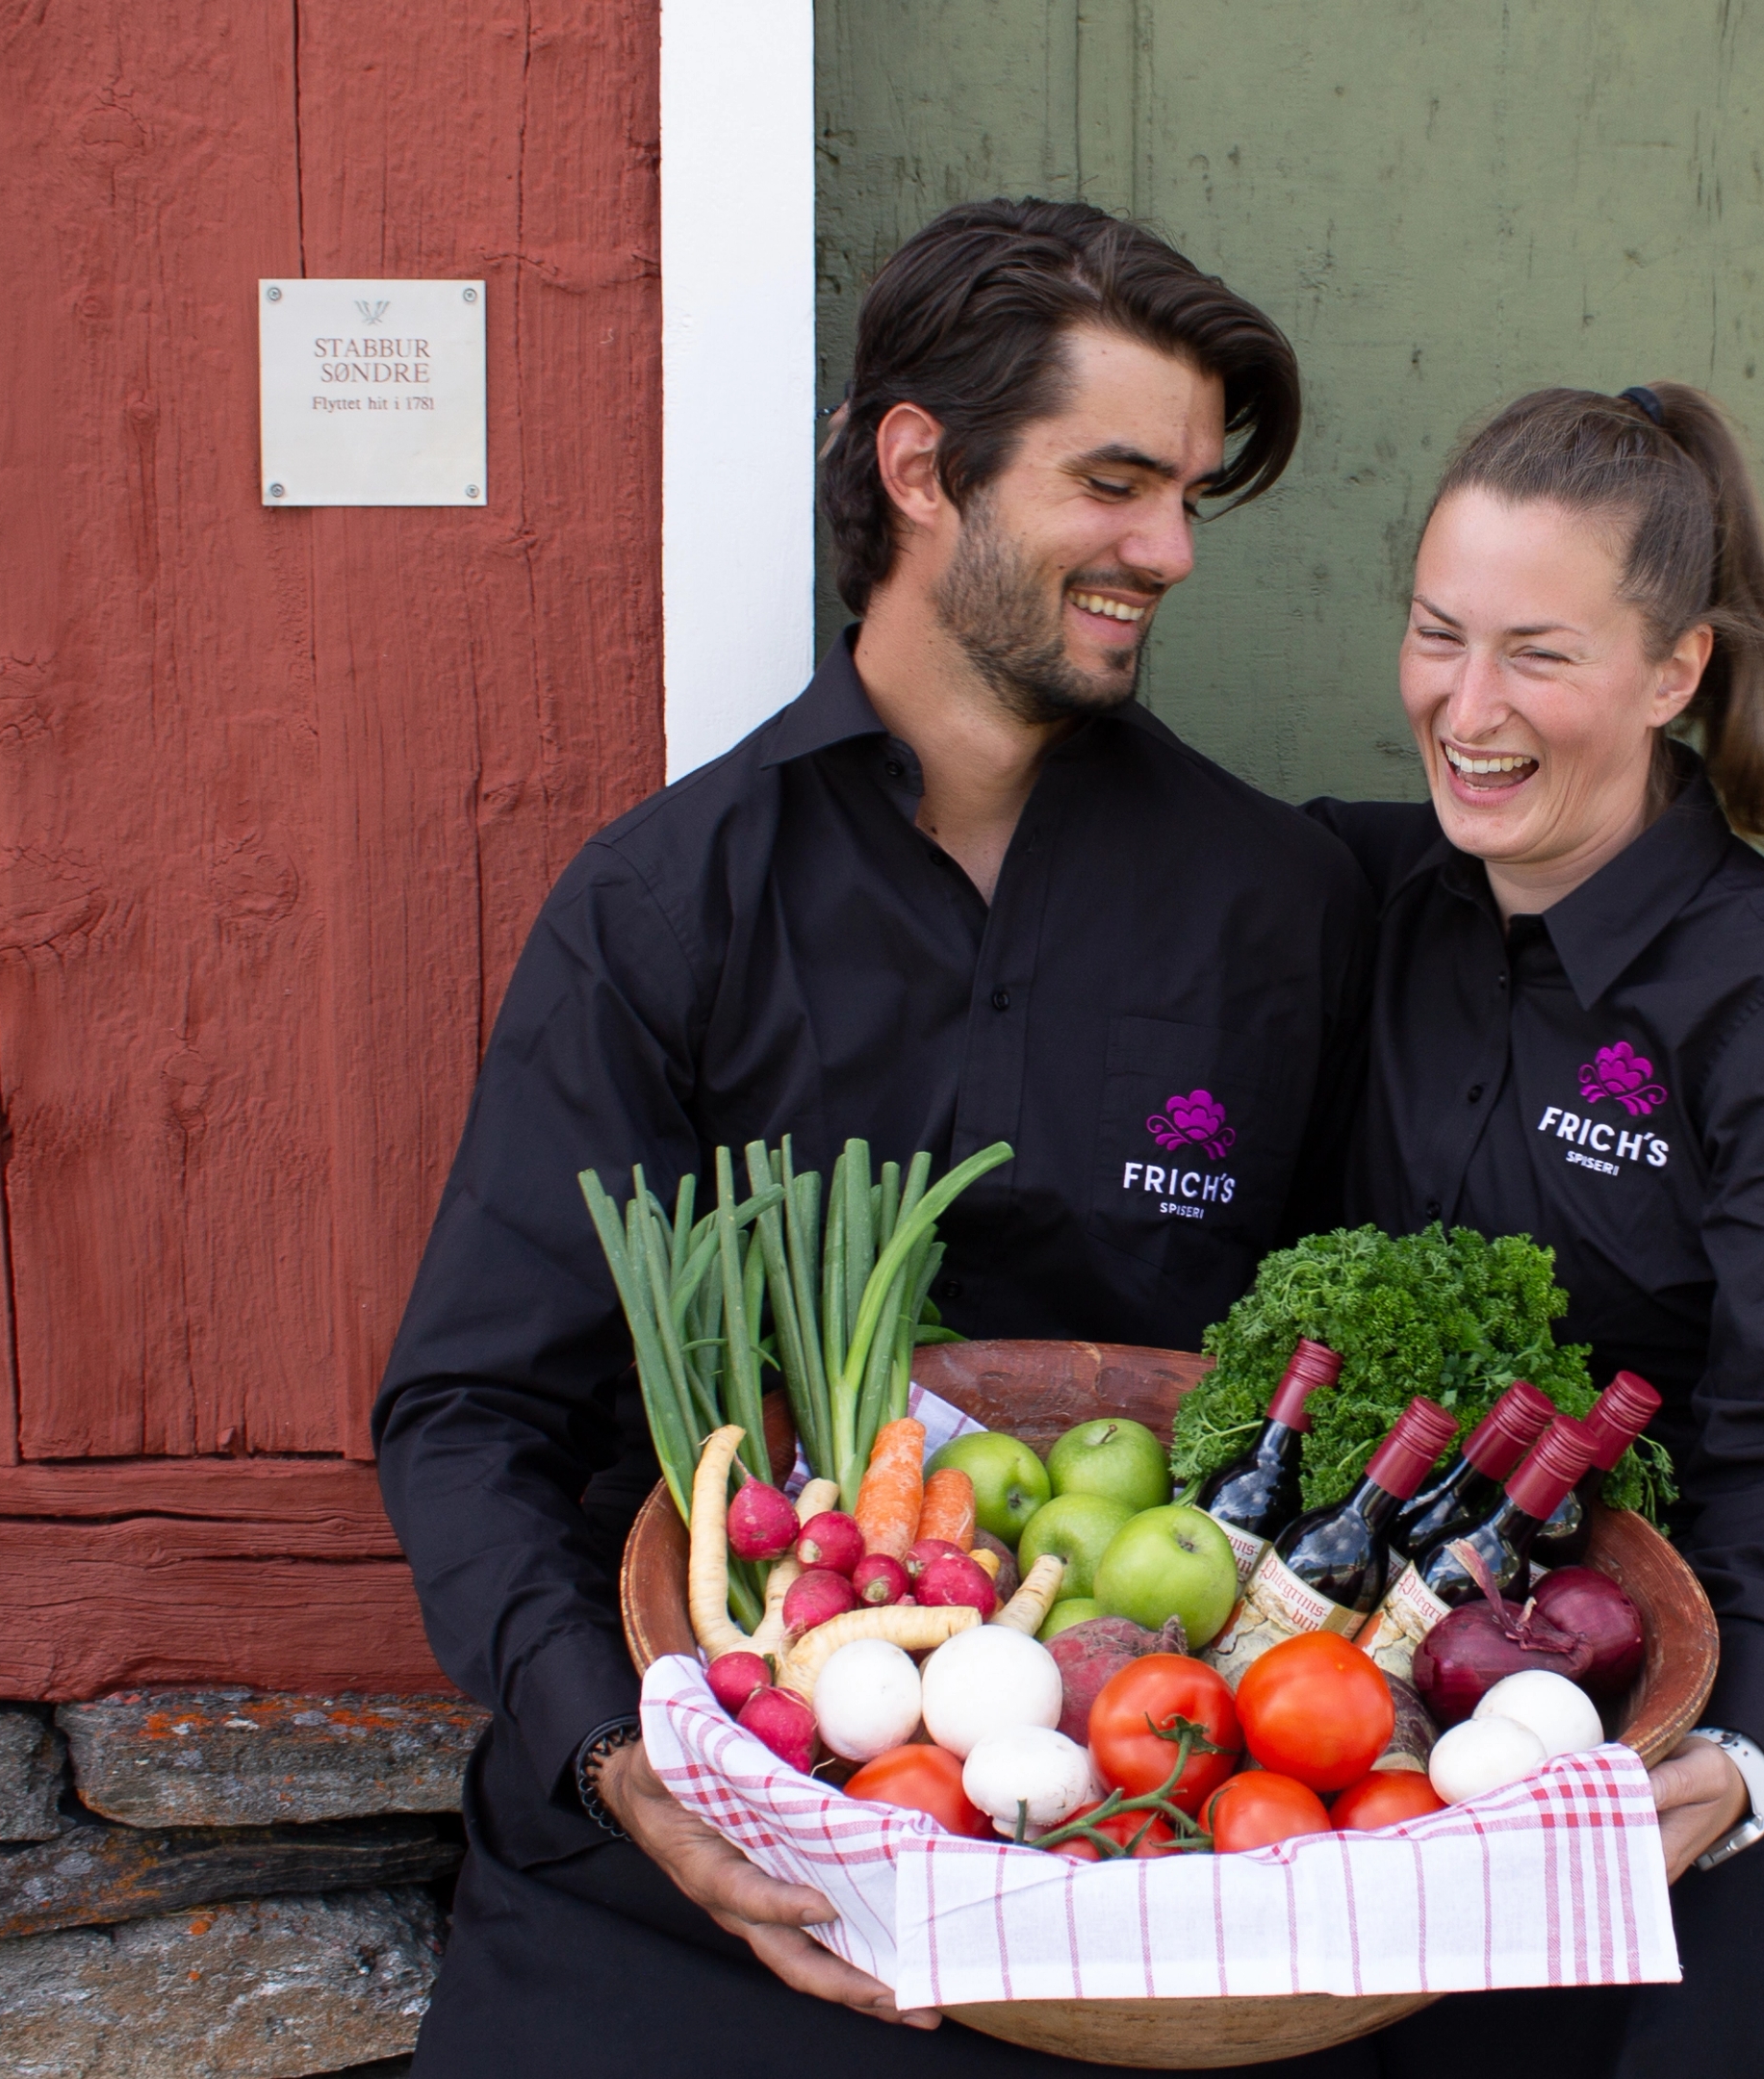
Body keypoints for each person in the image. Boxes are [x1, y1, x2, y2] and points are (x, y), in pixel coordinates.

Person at [374, 198, 1379, 2073]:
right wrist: (627, 1761)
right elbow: (471, 1413)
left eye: (1188, 498)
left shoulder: (1277, 901)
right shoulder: (670, 905)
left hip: (1147, 1807)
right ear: (923, 466)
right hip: (732, 1765)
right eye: (1113, 483)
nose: (1166, 548)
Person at [1322, 384, 1764, 2075]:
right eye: (1438, 636)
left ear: (1675, 673)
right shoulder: (1368, 898)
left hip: (1760, 1586)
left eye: (1539, 655)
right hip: (1449, 1588)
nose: (1468, 709)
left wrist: (1756, 1729)